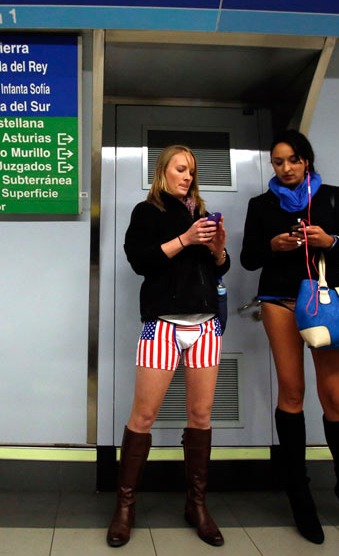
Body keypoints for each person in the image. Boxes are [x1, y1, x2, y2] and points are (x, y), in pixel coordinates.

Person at [240, 130, 339, 544]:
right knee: (292, 394)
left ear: (307, 161)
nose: (286, 168)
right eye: (278, 162)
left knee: (335, 398)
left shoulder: (331, 196)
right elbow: (247, 259)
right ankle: (299, 496)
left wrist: (329, 241)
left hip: (328, 300)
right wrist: (274, 245)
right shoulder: (260, 204)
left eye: (293, 160)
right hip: (280, 301)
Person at [107, 145, 230, 548]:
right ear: (163, 171)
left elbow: (219, 266)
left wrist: (217, 248)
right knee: (143, 416)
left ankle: (196, 505)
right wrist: (186, 237)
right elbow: (140, 260)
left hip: (206, 325)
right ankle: (125, 507)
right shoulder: (148, 212)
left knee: (201, 414)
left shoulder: (201, 213)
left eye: (192, 172)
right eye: (181, 169)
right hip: (162, 325)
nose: (188, 177)